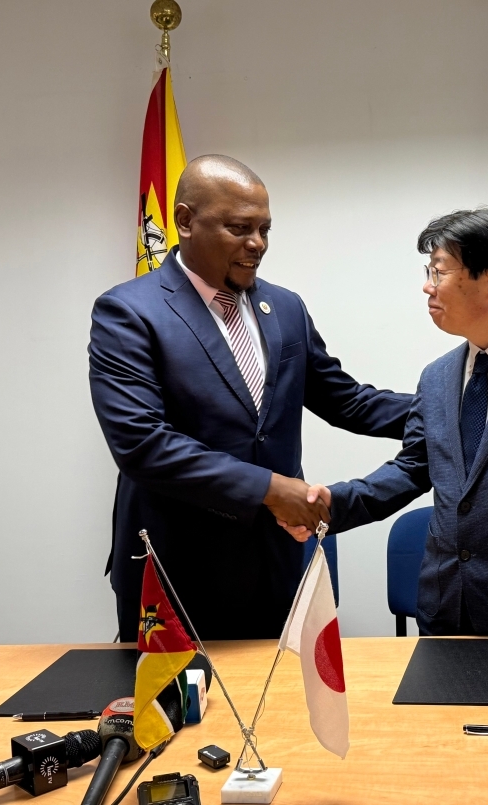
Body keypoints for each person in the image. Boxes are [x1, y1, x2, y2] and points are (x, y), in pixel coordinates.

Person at [89, 154, 411, 641]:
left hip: (275, 567)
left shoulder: (284, 306)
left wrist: (450, 406)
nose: (257, 243)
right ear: (185, 221)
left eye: (264, 229)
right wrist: (270, 489)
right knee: (182, 696)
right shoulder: (129, 312)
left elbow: (346, 401)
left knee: (278, 691)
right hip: (175, 573)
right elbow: (141, 443)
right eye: (239, 228)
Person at [284, 209, 488, 658]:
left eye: (438, 271)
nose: (428, 286)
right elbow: (413, 468)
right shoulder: (438, 376)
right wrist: (333, 504)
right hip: (445, 609)